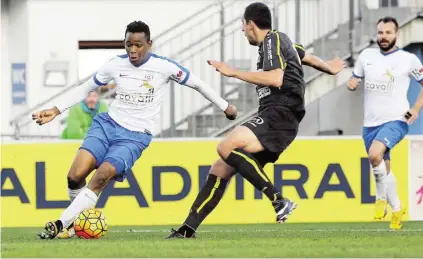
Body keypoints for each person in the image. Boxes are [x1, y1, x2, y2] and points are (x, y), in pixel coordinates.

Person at [33, 20, 237, 239]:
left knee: (101, 177)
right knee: (74, 176)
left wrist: (225, 106)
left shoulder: (164, 66)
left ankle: (60, 223)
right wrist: (56, 110)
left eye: (138, 45)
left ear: (149, 44)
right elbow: (87, 87)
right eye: (128, 44)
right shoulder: (115, 64)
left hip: (134, 137)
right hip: (107, 126)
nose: (132, 50)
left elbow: (196, 83)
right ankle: (73, 225)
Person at [166, 2, 346, 239]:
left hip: (280, 114)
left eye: (243, 24)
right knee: (220, 168)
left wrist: (233, 73)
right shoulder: (280, 43)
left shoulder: (273, 40)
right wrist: (329, 68)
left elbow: (275, 78)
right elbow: (306, 56)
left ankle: (278, 200)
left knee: (226, 146)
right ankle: (187, 229)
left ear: (251, 25)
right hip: (277, 117)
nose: (242, 30)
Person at [347, 16, 423, 230]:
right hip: (370, 123)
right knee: (383, 168)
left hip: (397, 120)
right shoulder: (366, 56)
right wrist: (352, 83)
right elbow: (355, 79)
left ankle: (380, 199)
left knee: (374, 155)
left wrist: (415, 109)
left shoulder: (408, 60)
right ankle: (398, 210)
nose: (383, 36)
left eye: (388, 33)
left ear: (397, 35)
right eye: (380, 32)